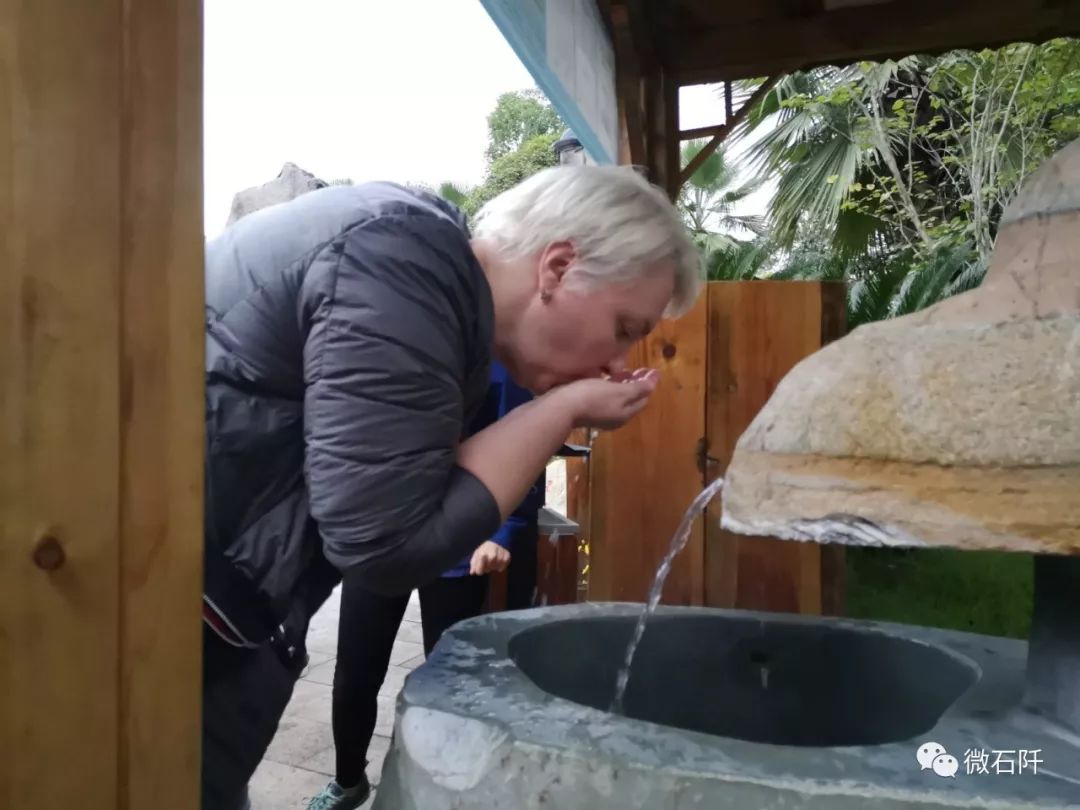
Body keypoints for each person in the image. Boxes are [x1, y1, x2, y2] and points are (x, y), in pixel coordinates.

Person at [200, 165, 701, 810]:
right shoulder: (406, 266)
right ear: (558, 267)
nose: (618, 364)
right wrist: (559, 409)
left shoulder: (422, 277)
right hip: (145, 632)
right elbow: (382, 545)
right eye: (625, 329)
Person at [305, 360, 539, 809]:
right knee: (354, 674)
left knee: (450, 684)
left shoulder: (499, 361)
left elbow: (523, 446)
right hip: (380, 539)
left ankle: (445, 792)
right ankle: (348, 782)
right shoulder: (393, 344)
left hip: (457, 543)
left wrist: (500, 532)